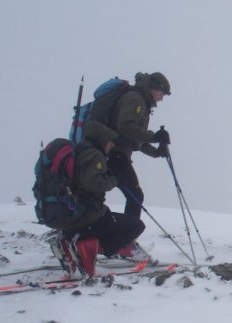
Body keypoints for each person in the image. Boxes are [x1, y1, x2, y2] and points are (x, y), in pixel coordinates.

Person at [54, 122, 146, 277]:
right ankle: (90, 248)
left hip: (70, 214)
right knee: (136, 225)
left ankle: (70, 243)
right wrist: (115, 181)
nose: (112, 146)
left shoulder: (78, 152)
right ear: (102, 140)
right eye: (110, 142)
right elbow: (93, 183)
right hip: (88, 215)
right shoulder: (94, 155)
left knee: (107, 222)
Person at [104, 71, 171, 219]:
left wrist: (156, 152)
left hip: (116, 153)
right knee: (135, 196)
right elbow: (125, 127)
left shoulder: (142, 102)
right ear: (154, 88)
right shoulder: (136, 99)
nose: (161, 98)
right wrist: (154, 137)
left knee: (134, 196)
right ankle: (126, 236)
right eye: (162, 93)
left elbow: (135, 140)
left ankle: (124, 235)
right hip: (114, 153)